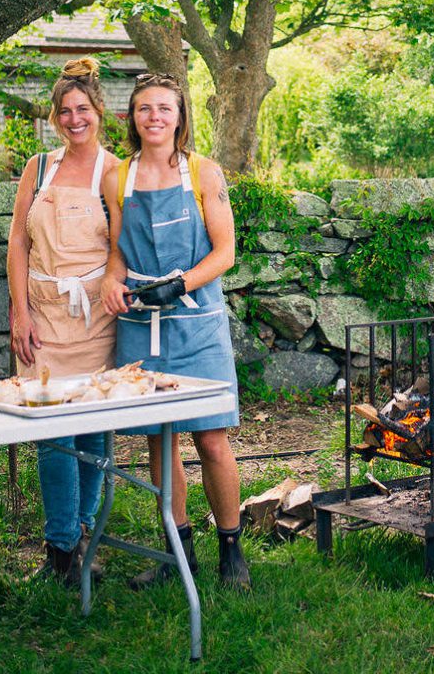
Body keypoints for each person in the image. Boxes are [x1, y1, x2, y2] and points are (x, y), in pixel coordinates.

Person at [100, 72, 250, 590]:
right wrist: (111, 281)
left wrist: (180, 283)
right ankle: (176, 553)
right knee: (160, 443)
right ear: (132, 118)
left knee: (210, 438)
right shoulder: (117, 178)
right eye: (145, 109)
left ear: (180, 117)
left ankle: (232, 549)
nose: (155, 117)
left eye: (165, 108)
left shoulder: (204, 174)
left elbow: (225, 253)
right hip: (142, 325)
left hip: (196, 322)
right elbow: (118, 250)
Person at [7, 57, 119, 586]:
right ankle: (59, 549)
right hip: (42, 318)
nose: (75, 119)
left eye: (83, 110)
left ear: (99, 112)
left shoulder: (114, 172)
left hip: (94, 317)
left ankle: (82, 539)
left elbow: (120, 247)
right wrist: (19, 310)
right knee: (52, 434)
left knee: (93, 433)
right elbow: (18, 241)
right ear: (54, 118)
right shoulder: (39, 166)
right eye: (64, 112)